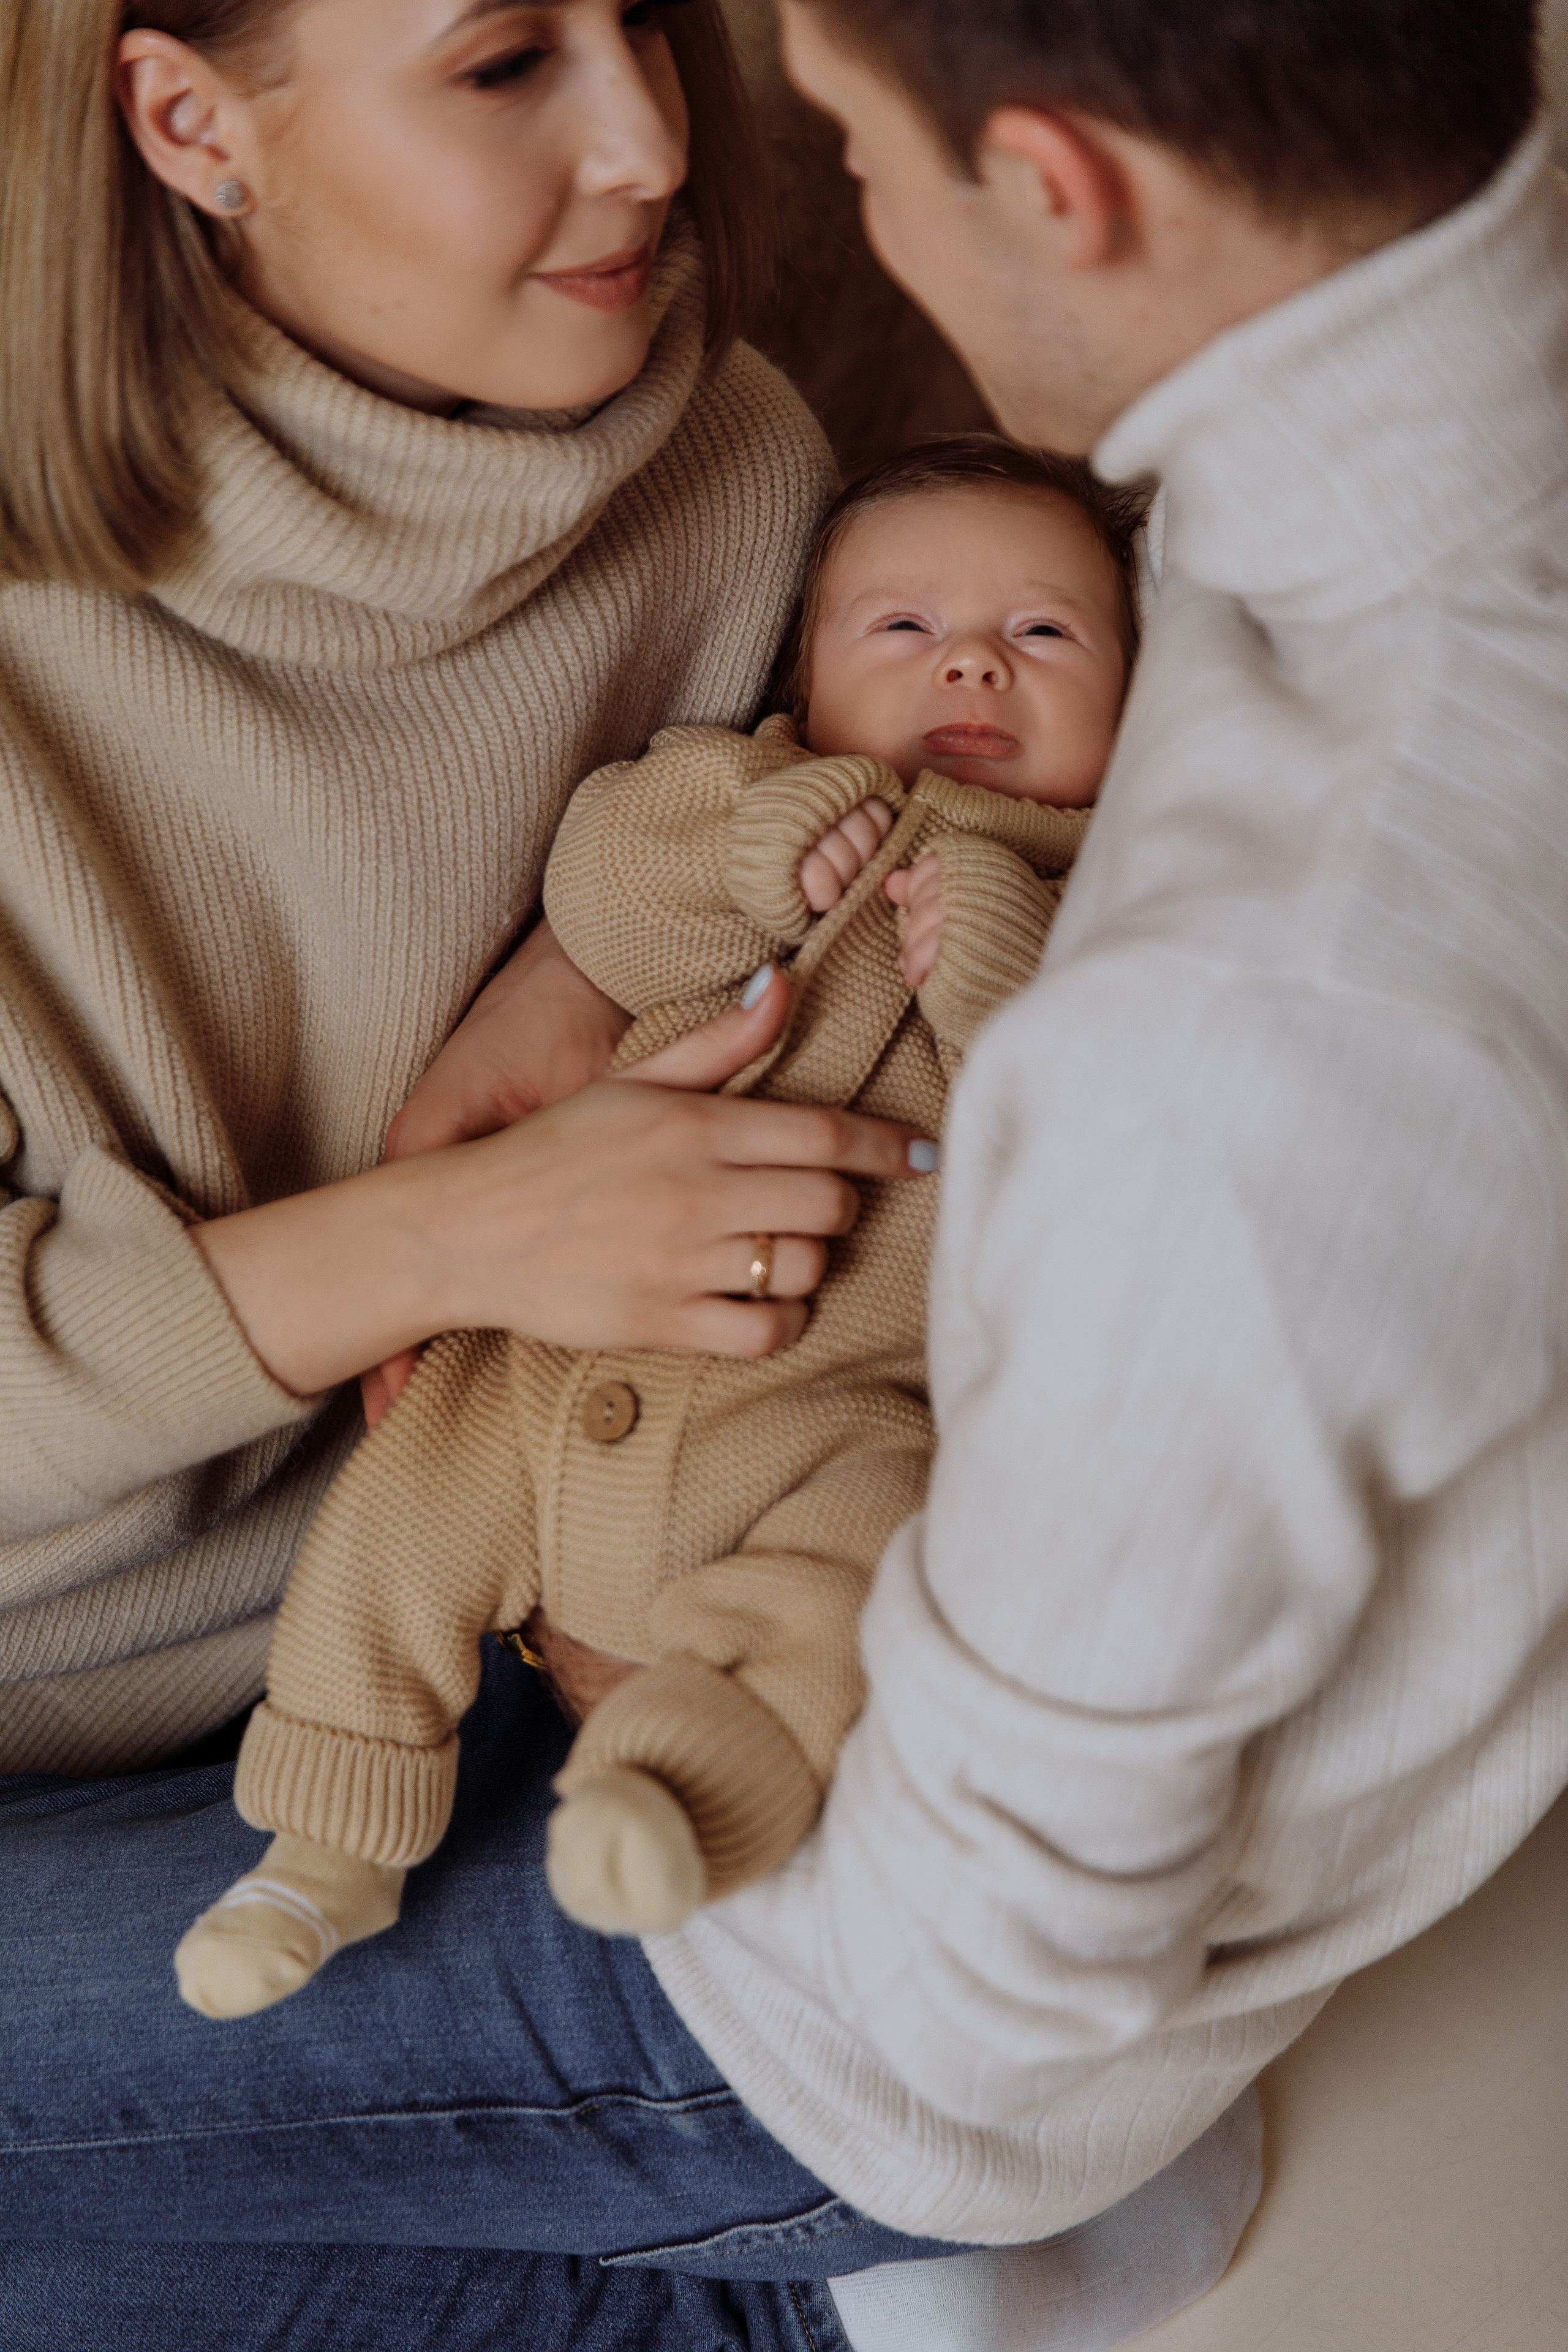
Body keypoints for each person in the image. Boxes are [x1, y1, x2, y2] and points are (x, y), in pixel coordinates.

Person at [4, 5, 1561, 2352]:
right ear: (187, 120)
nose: (668, 153)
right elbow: (741, 832)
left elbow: (979, 1972)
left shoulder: (1213, 1022)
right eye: (516, 54)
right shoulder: (1328, 525)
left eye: (765, 89)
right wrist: (518, 1054)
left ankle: (789, 2301)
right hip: (307, 1588)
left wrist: (700, 1679)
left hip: (783, 1843)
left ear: (1056, 190)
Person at [168, 439, 1140, 2018]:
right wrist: (759, 846)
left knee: (855, 1578)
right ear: (804, 676)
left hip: (828, 1412)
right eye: (901, 630)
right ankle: (321, 1853)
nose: (971, 658)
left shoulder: (1112, 901)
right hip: (550, 1363)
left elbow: (1105, 1134)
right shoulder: (741, 793)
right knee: (394, 1533)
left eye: (1045, 635)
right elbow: (607, 889)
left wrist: (1004, 966)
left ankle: (679, 1800)